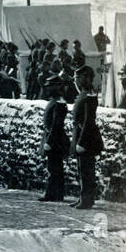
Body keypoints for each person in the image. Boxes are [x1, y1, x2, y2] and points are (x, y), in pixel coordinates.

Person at [71, 64, 103, 210]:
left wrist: (82, 142)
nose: (76, 81)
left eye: (78, 78)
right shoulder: (83, 94)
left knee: (86, 170)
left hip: (87, 139)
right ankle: (83, 197)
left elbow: (88, 122)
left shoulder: (89, 96)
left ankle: (87, 199)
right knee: (82, 169)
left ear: (86, 79)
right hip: (81, 136)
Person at [39, 74, 69, 202]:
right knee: (54, 167)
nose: (48, 89)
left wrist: (50, 141)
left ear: (57, 87)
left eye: (51, 87)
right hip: (54, 138)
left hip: (55, 140)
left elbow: (57, 124)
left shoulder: (58, 103)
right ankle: (55, 193)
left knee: (54, 167)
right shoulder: (55, 101)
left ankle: (53, 194)